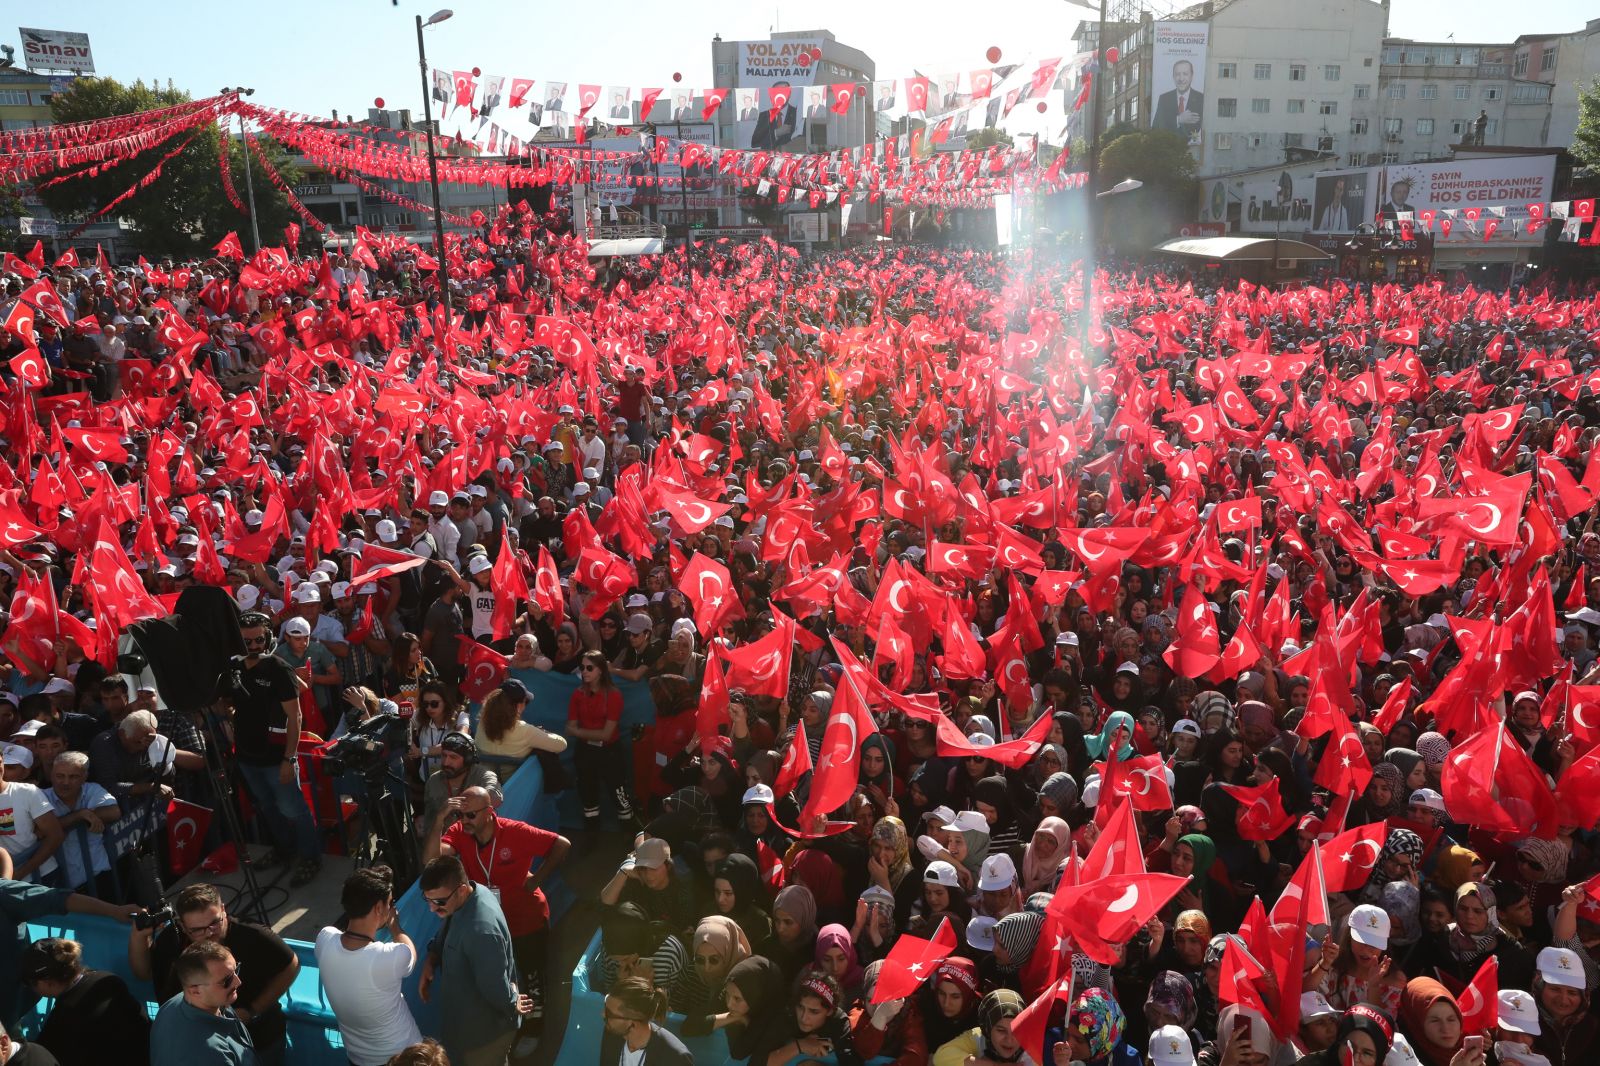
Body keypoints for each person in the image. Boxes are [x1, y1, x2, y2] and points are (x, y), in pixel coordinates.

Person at [423, 785, 570, 1056]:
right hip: (491, 923)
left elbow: (561, 844)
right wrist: (438, 820)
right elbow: (432, 862)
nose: (464, 821)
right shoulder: (458, 832)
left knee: (534, 976)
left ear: (490, 813)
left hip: (526, 920)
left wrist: (537, 879)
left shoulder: (516, 831)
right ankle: (510, 1026)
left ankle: (535, 1027)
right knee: (502, 977)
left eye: (470, 816)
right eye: (460, 815)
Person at [129, 883, 299, 1066]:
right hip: (196, 1044)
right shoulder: (171, 940)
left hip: (259, 1040)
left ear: (223, 909)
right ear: (183, 926)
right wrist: (138, 937)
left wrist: (252, 1010)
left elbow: (292, 964)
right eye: (198, 930)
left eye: (215, 923)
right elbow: (144, 973)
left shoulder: (253, 935)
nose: (209, 933)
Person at [213, 612, 321, 886]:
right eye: (246, 640)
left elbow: (295, 717)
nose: (252, 646)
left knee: (293, 808)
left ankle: (310, 858)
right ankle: (284, 850)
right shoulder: (233, 667)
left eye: (258, 639)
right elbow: (227, 702)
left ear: (268, 639)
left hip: (276, 758)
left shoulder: (278, 669)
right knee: (268, 807)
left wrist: (289, 758)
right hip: (248, 756)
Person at [417, 855, 533, 1066]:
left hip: (483, 1040)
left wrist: (511, 999)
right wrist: (431, 958)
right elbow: (448, 929)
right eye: (428, 900)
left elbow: (495, 987)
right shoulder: (468, 895)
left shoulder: (481, 931)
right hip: (465, 1028)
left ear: (461, 890)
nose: (432, 908)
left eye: (439, 902)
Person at [313, 866, 421, 1066]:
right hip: (404, 1057)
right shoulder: (390, 956)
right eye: (390, 902)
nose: (391, 907)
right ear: (379, 908)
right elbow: (410, 953)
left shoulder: (324, 940)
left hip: (358, 1059)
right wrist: (395, 927)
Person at [17, 937, 149, 1066]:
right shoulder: (107, 979)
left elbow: (40, 1057)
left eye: (30, 983)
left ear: (47, 982)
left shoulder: (62, 1023)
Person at [150, 942, 256, 1066]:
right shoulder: (211, 1054)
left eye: (236, 970)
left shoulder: (175, 1003)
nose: (238, 982)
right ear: (195, 991)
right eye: (226, 981)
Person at [567, 651, 636, 832]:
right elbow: (570, 727)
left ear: (601, 670)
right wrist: (586, 733)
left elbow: (606, 734)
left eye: (590, 667)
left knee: (618, 793)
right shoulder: (577, 694)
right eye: (582, 667)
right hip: (585, 752)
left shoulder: (614, 695)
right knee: (587, 794)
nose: (585, 671)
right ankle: (591, 836)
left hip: (609, 752)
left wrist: (579, 732)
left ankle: (630, 835)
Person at [42, 751, 120, 895]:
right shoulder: (41, 797)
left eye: (73, 777)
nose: (65, 782)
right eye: (60, 776)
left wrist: (83, 816)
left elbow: (113, 811)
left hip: (99, 873)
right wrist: (79, 815)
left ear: (84, 777)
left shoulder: (92, 789)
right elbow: (40, 831)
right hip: (62, 886)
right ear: (52, 775)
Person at [419, 731, 503, 836]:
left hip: (475, 841)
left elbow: (495, 798)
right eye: (444, 756)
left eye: (453, 757)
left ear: (468, 759)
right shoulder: (434, 781)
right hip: (445, 842)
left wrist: (461, 804)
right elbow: (430, 821)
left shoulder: (483, 775)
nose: (446, 762)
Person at [600, 976, 693, 1066]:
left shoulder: (675, 1058)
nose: (603, 1014)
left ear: (633, 1022)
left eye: (609, 1013)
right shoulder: (611, 1034)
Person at [1152, 60, 1203, 135]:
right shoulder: (1164, 99)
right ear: (1173, 76)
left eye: (1185, 74)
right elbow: (1156, 127)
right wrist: (1179, 119)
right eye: (1177, 74)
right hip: (1167, 145)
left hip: (1193, 146)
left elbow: (1198, 127)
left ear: (1191, 76)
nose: (1181, 79)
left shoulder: (1201, 99)